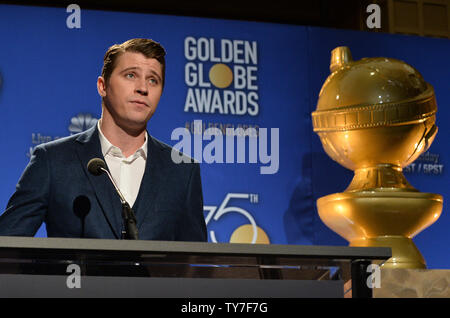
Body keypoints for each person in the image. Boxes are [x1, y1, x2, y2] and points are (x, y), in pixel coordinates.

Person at [0, 38, 207, 241]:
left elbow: (194, 265)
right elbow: (7, 244)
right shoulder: (52, 161)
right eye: (131, 75)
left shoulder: (182, 171)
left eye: (153, 80)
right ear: (102, 86)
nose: (143, 88)